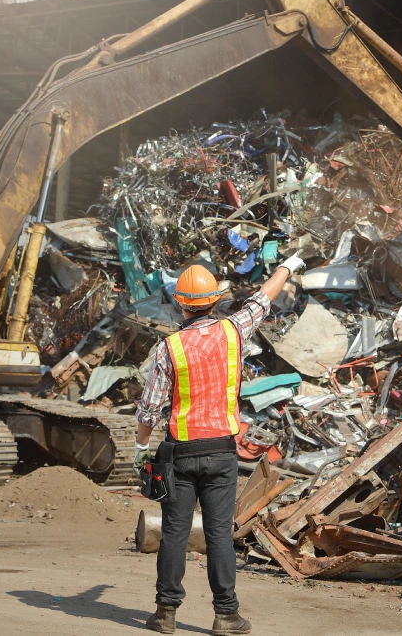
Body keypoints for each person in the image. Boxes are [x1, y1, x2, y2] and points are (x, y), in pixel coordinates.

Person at [134, 254, 304, 635]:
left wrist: (141, 441)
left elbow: (149, 410)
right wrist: (287, 266)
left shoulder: (169, 348)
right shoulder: (233, 331)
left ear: (180, 304)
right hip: (222, 453)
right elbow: (263, 299)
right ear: (215, 301)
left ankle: (165, 613)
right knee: (217, 533)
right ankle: (226, 615)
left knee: (175, 533)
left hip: (179, 453)